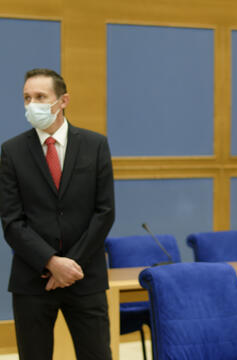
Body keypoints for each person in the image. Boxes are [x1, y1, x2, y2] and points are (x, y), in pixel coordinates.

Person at [0, 68, 115, 360]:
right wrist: (51, 262)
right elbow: (12, 222)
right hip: (32, 279)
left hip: (84, 275)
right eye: (26, 98)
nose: (32, 104)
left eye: (40, 97)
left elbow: (104, 212)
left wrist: (70, 265)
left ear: (63, 100)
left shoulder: (95, 145)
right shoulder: (11, 151)